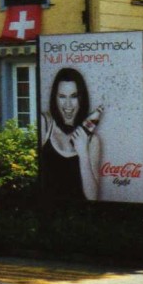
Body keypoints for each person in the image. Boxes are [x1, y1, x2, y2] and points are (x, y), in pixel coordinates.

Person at [39, 67, 103, 201]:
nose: (68, 104)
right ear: (54, 98)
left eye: (74, 96)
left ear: (81, 99)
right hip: (49, 215)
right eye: (62, 96)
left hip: (79, 217)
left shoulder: (93, 141)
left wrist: (83, 153)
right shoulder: (45, 124)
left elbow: (92, 197)